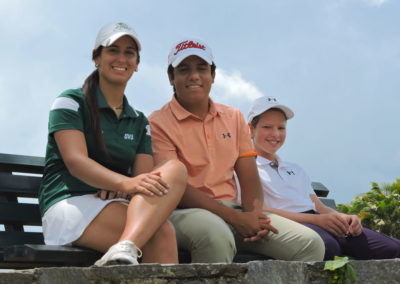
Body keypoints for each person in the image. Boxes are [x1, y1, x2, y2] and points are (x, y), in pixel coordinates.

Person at [148, 37, 325, 263]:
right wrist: (236, 218)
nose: (194, 76)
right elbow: (177, 188)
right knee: (214, 235)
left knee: (309, 244)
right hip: (185, 212)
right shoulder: (157, 122)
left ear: (213, 76)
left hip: (235, 210)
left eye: (202, 69)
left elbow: (249, 177)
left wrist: (253, 215)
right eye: (184, 70)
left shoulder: (233, 117)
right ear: (171, 78)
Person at [38, 22, 187, 266]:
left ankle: (124, 248)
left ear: (137, 64)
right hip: (69, 203)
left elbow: (143, 182)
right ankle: (124, 248)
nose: (122, 58)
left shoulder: (139, 120)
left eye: (129, 52)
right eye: (113, 49)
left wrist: (124, 187)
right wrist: (125, 183)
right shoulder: (69, 101)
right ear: (97, 57)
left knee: (175, 170)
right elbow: (76, 162)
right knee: (160, 235)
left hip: (114, 201)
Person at [246, 96, 400, 260]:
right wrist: (317, 220)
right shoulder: (246, 167)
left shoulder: (295, 169)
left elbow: (318, 205)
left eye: (281, 128)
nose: (275, 134)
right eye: (267, 127)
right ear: (251, 129)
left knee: (393, 248)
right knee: (328, 248)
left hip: (318, 220)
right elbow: (258, 209)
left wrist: (344, 218)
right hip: (290, 225)